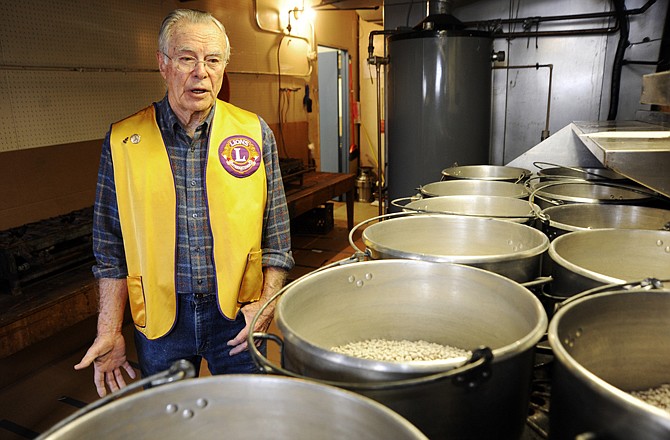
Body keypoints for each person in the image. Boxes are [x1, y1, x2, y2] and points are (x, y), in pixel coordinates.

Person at [75, 8, 294, 397]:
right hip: (161, 324)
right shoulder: (123, 141)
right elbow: (109, 248)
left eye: (212, 60)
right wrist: (109, 330)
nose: (201, 72)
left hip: (239, 316)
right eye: (187, 58)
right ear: (163, 64)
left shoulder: (254, 132)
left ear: (224, 65)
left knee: (248, 415)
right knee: (169, 421)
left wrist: (266, 303)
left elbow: (277, 235)